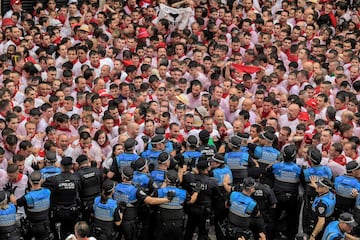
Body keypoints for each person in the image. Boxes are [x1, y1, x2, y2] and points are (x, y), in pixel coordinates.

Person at [113, 166, 171, 240]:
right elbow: (151, 201)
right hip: (130, 223)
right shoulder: (135, 191)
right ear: (132, 177)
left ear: (122, 177)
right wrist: (167, 199)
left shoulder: (115, 187)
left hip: (117, 219)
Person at [43, 157, 81, 240]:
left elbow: (42, 184)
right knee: (72, 234)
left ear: (61, 166)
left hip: (58, 212)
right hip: (72, 211)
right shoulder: (77, 178)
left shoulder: (53, 179)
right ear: (71, 166)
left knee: (58, 235)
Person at [154, 170, 199, 240]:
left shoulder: (160, 192)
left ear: (166, 180)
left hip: (163, 222)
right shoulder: (183, 193)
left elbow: (152, 200)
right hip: (178, 223)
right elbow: (191, 201)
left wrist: (164, 183)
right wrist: (196, 191)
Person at [269, 144, 301, 239]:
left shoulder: (276, 166)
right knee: (292, 220)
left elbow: (267, 172)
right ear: (294, 156)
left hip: (277, 197)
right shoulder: (299, 169)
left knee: (273, 218)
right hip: (292, 198)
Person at [183, 160, 220, 240]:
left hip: (191, 209)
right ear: (207, 168)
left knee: (189, 231)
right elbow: (217, 196)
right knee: (203, 233)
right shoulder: (212, 182)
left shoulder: (190, 178)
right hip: (204, 212)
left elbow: (185, 187)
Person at [10, 171, 51, 240]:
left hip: (31, 226)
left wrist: (11, 192)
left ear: (30, 181)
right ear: (41, 180)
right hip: (45, 225)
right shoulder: (48, 192)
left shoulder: (27, 197)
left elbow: (15, 203)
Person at [75, 154, 102, 223]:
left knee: (86, 222)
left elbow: (77, 190)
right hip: (98, 200)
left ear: (78, 164)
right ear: (87, 162)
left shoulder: (77, 175)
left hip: (85, 203)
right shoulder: (97, 170)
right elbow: (102, 184)